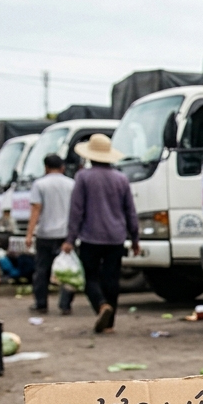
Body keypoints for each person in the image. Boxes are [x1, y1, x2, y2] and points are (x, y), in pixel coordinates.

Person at [64, 134, 140, 333]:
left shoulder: (83, 177)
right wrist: (135, 238)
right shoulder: (121, 179)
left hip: (91, 237)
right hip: (116, 237)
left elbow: (76, 210)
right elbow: (130, 210)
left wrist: (70, 238)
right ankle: (110, 323)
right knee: (111, 278)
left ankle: (100, 305)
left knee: (90, 277)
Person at [26, 153, 76, 315]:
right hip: (66, 235)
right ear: (62, 167)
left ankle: (41, 304)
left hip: (45, 234)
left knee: (42, 270)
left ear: (46, 167)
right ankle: (65, 304)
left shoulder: (40, 184)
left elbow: (36, 210)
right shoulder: (72, 184)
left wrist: (29, 234)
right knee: (67, 270)